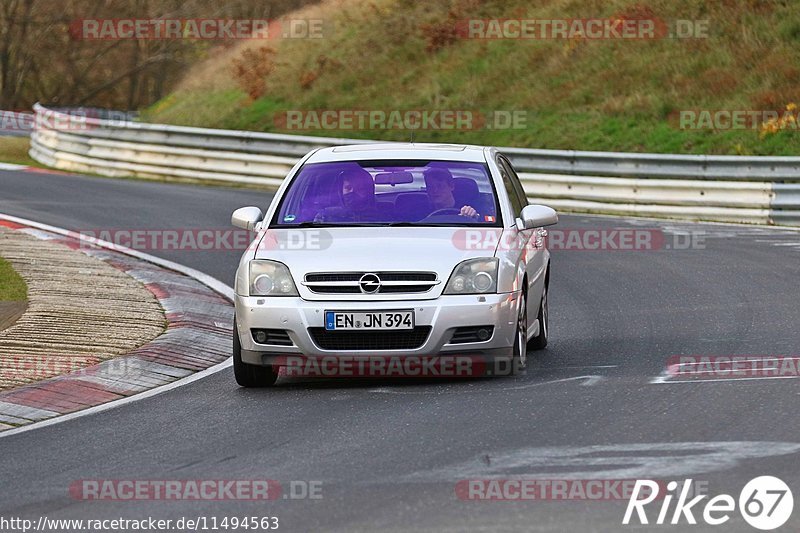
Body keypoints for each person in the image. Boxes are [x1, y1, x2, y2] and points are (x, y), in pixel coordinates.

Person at [314, 166, 380, 222]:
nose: (352, 192)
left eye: (359, 189)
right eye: (348, 188)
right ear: (340, 191)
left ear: (368, 191)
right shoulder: (325, 216)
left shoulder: (383, 215)